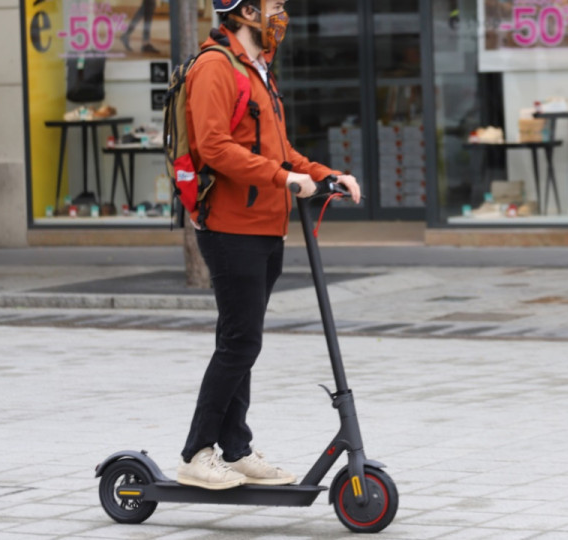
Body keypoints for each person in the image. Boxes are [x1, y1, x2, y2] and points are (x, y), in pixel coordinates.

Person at [176, 0, 362, 490]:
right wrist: (284, 178)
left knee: (243, 342)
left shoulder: (257, 70)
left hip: (265, 226)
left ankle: (235, 450)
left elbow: (279, 152)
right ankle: (197, 453)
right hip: (230, 226)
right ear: (243, 10)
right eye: (274, 4)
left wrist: (326, 175)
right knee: (240, 342)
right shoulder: (215, 67)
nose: (281, 12)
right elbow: (214, 147)